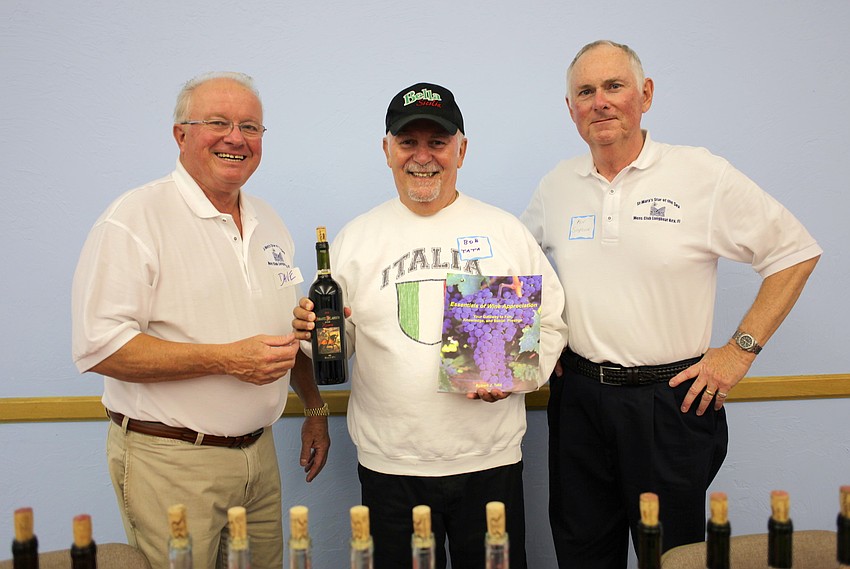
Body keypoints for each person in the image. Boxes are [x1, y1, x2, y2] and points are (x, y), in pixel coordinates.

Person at [520, 40, 822, 568]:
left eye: (614, 86)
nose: (600, 102)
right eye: (585, 92)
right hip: (579, 403)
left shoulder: (701, 174)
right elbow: (519, 274)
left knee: (675, 557)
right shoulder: (556, 186)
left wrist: (739, 351)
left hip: (670, 404)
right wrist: (533, 352)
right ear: (570, 110)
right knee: (582, 550)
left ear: (646, 94)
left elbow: (794, 253)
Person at [292, 82, 569, 569]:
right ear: (387, 150)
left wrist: (516, 376)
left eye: (437, 142)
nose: (423, 157)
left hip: (489, 460)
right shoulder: (356, 237)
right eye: (408, 142)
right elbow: (341, 346)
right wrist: (314, 333)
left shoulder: (505, 231)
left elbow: (550, 324)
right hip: (390, 464)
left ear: (461, 148)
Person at [71, 72, 330, 569]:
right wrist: (225, 359)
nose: (236, 138)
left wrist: (314, 408)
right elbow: (100, 347)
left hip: (260, 455)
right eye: (218, 122)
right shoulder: (134, 218)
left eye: (251, 127)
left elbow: (286, 338)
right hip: (172, 461)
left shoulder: (268, 221)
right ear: (181, 134)